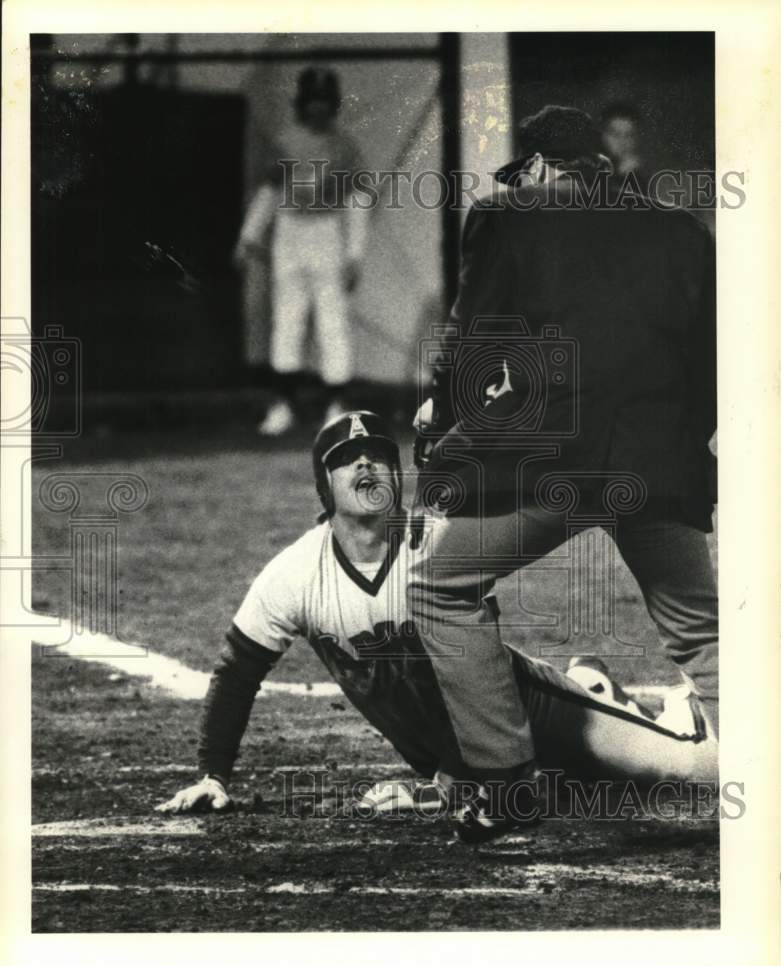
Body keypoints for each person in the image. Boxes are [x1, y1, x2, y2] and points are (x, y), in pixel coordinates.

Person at [156, 412, 717, 839]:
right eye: (348, 459)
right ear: (323, 487)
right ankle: (595, 687)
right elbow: (237, 672)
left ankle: (672, 707)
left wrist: (450, 784)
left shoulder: (439, 541)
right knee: (569, 793)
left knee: (693, 771)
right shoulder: (295, 573)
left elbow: (471, 674)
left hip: (525, 712)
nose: (367, 465)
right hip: (454, 750)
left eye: (378, 455)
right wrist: (214, 774)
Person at [409, 105, 717, 841]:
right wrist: (680, 445)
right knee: (702, 631)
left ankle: (504, 780)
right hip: (656, 459)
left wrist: (442, 420)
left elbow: (472, 336)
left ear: (541, 164)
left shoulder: (505, 214)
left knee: (437, 587)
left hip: (558, 457)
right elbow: (710, 367)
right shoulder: (681, 228)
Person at [235, 67, 368, 435]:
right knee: (288, 321)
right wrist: (248, 236)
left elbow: (357, 203)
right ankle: (282, 407)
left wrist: (355, 255)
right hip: (290, 233)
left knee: (332, 321)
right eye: (313, 102)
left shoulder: (345, 147)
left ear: (335, 105)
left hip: (327, 234)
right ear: (302, 104)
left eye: (325, 102)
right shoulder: (285, 143)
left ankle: (338, 406)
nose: (319, 110)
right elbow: (269, 192)